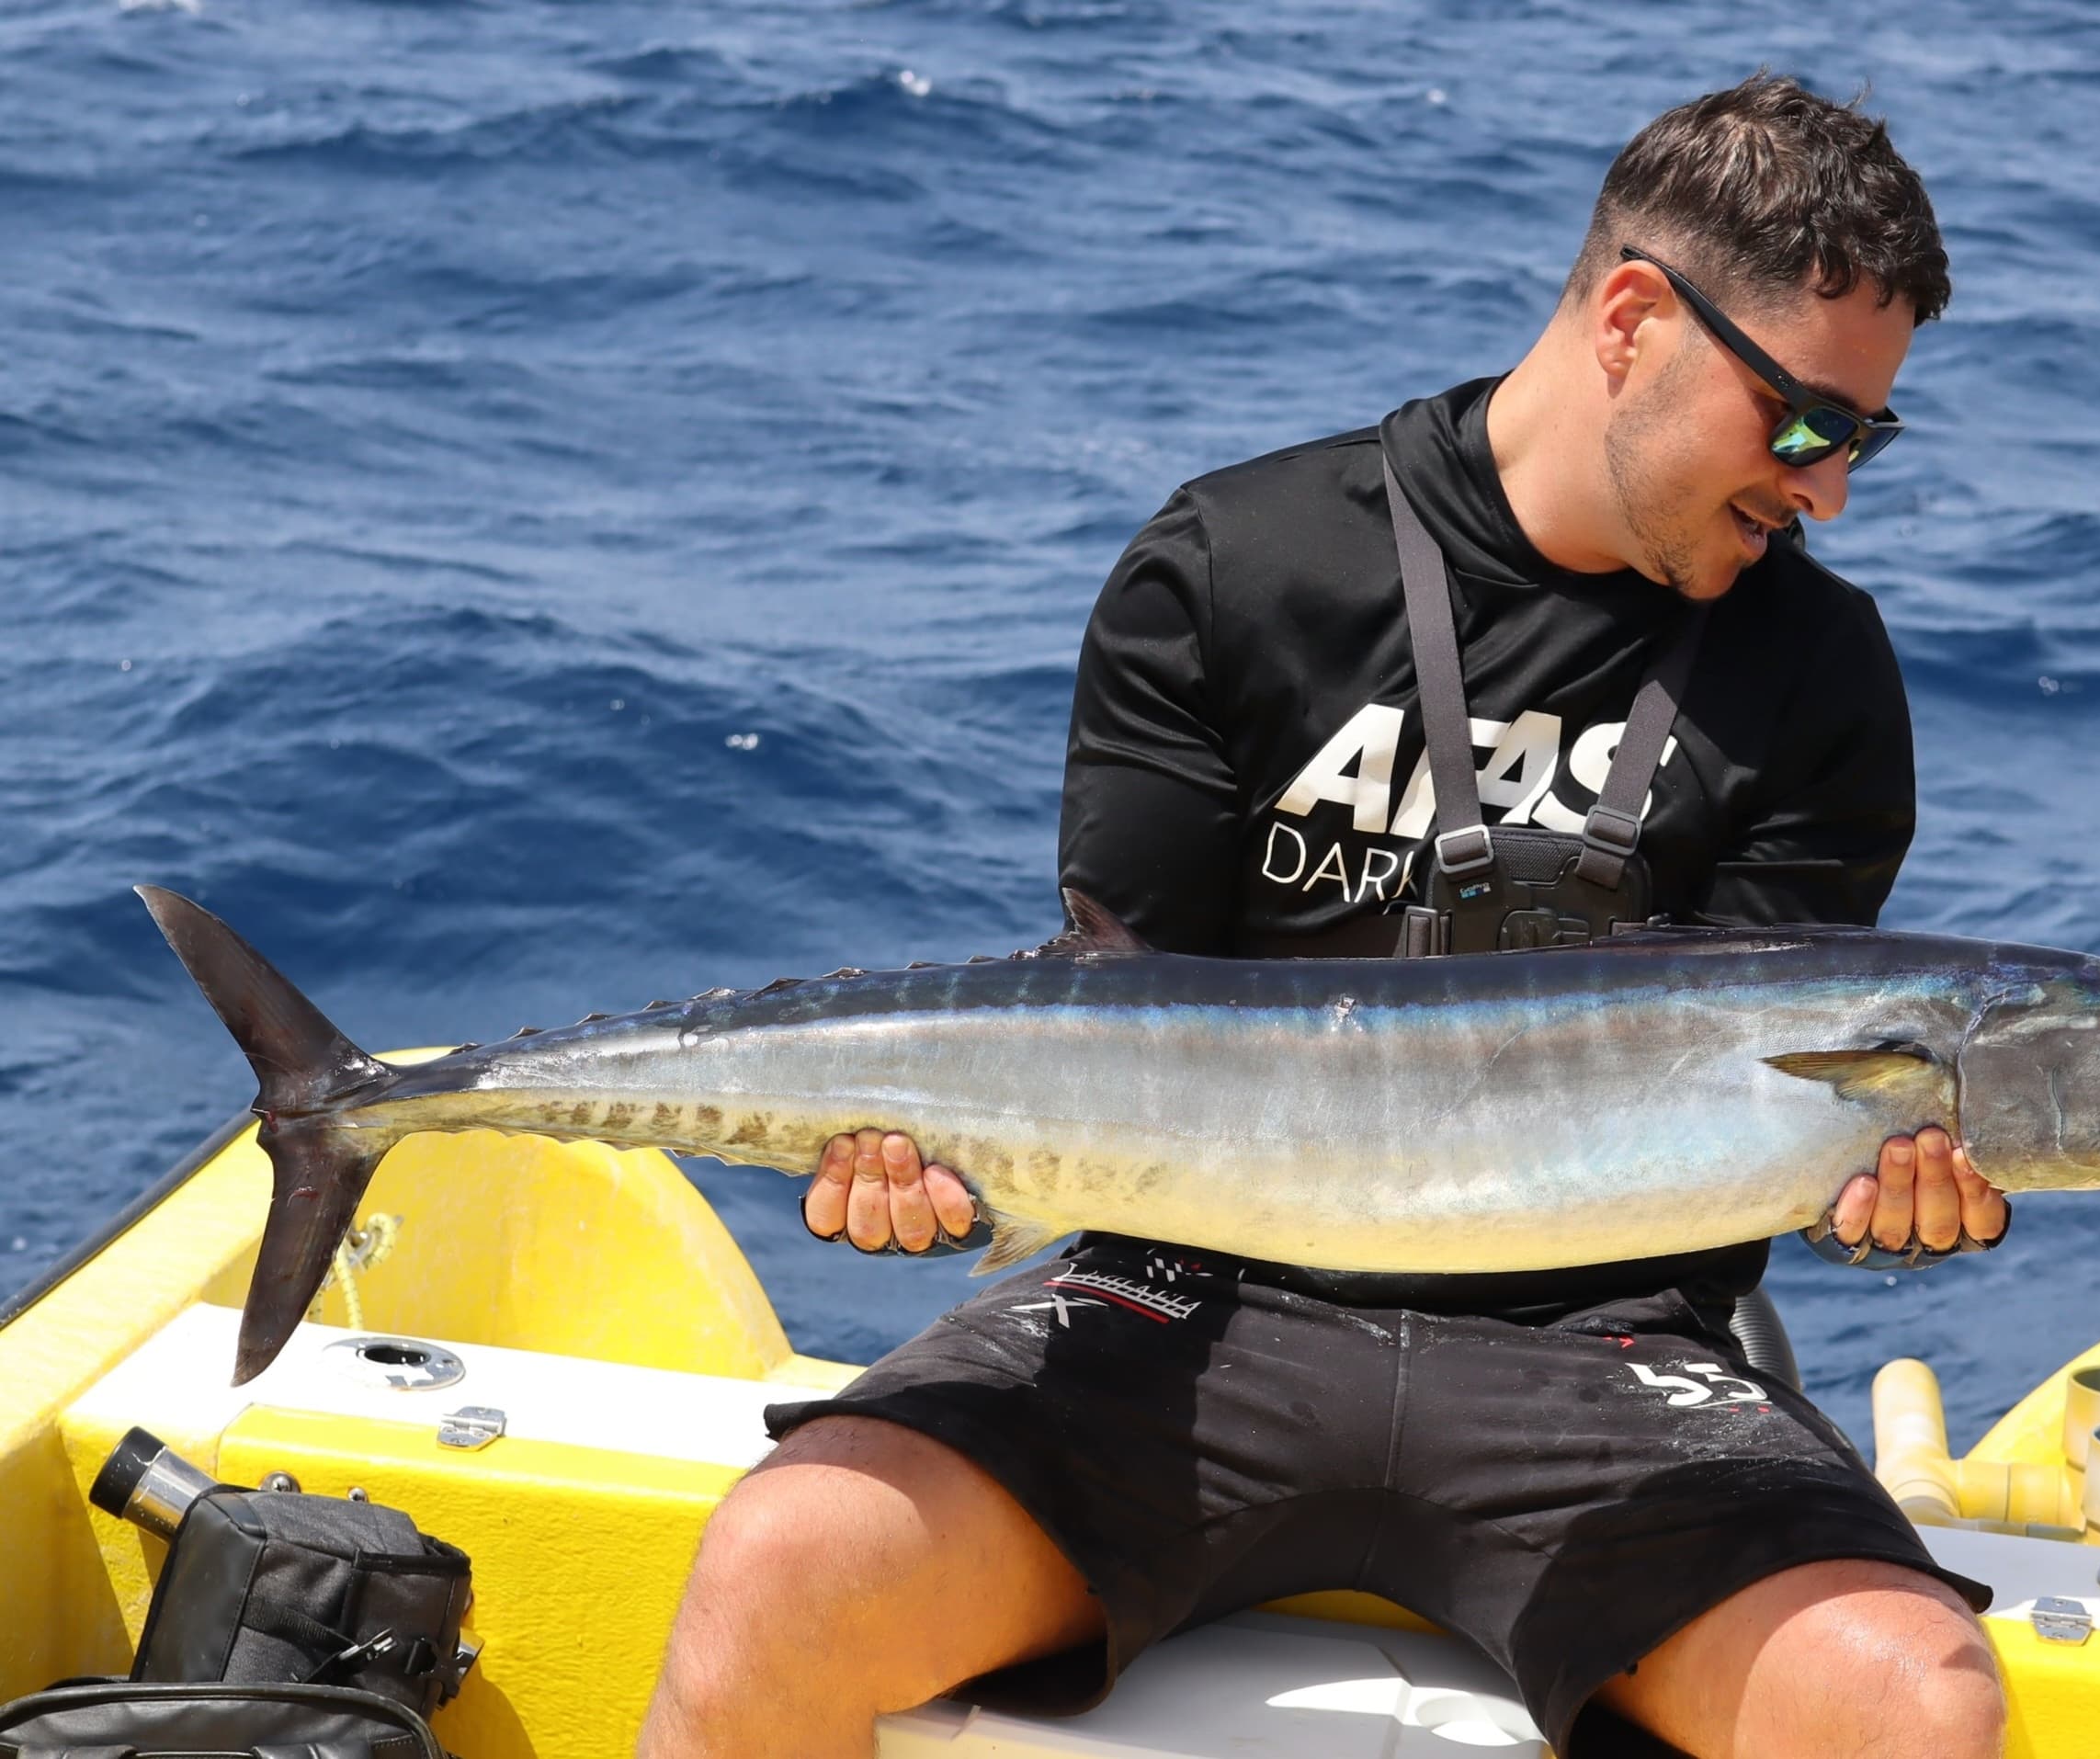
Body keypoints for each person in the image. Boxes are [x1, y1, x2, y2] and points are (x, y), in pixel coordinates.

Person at [642, 75, 2012, 1759]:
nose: (1827, 491)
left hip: (1602, 1350)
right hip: (1188, 1310)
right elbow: (1102, 1021)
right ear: (1636, 319)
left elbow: (1749, 1120)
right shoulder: (1236, 565)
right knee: (778, 1568)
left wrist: (1864, 1185)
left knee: (1916, 1702)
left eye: (1865, 438)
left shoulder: (1823, 674)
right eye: (1804, 422)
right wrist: (935, 1170)